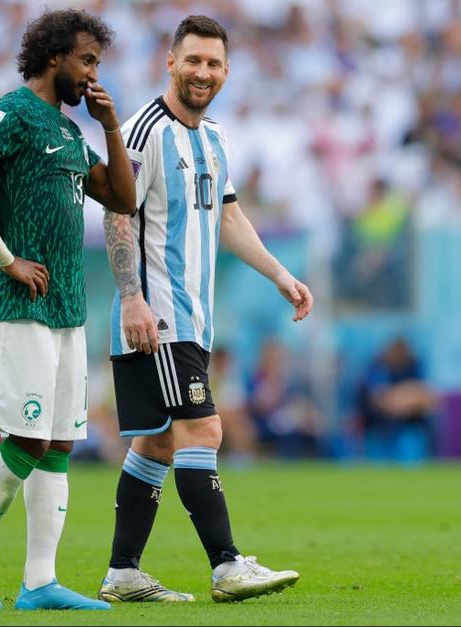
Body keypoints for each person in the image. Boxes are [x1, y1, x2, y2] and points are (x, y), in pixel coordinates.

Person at [0, 8, 136, 611]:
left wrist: (111, 125)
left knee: (60, 442)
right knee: (30, 438)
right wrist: (4, 256)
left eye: (99, 63)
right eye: (87, 60)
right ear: (53, 57)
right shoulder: (11, 112)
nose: (94, 74)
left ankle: (40, 582)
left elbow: (121, 196)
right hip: (20, 303)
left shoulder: (69, 131)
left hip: (65, 307)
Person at [98, 15, 313, 604]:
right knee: (204, 429)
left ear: (226, 71)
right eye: (193, 60)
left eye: (214, 63)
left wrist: (279, 274)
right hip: (159, 314)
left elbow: (228, 216)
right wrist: (132, 298)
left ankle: (123, 573)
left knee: (161, 442)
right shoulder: (145, 132)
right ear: (171, 61)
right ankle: (226, 565)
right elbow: (118, 213)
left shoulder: (214, 137)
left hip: (194, 317)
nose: (203, 72)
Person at [356, 337, 435, 464]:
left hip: (408, 427)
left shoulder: (414, 366)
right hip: (378, 428)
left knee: (412, 452)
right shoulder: (376, 367)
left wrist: (402, 400)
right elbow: (379, 399)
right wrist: (402, 398)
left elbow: (427, 399)